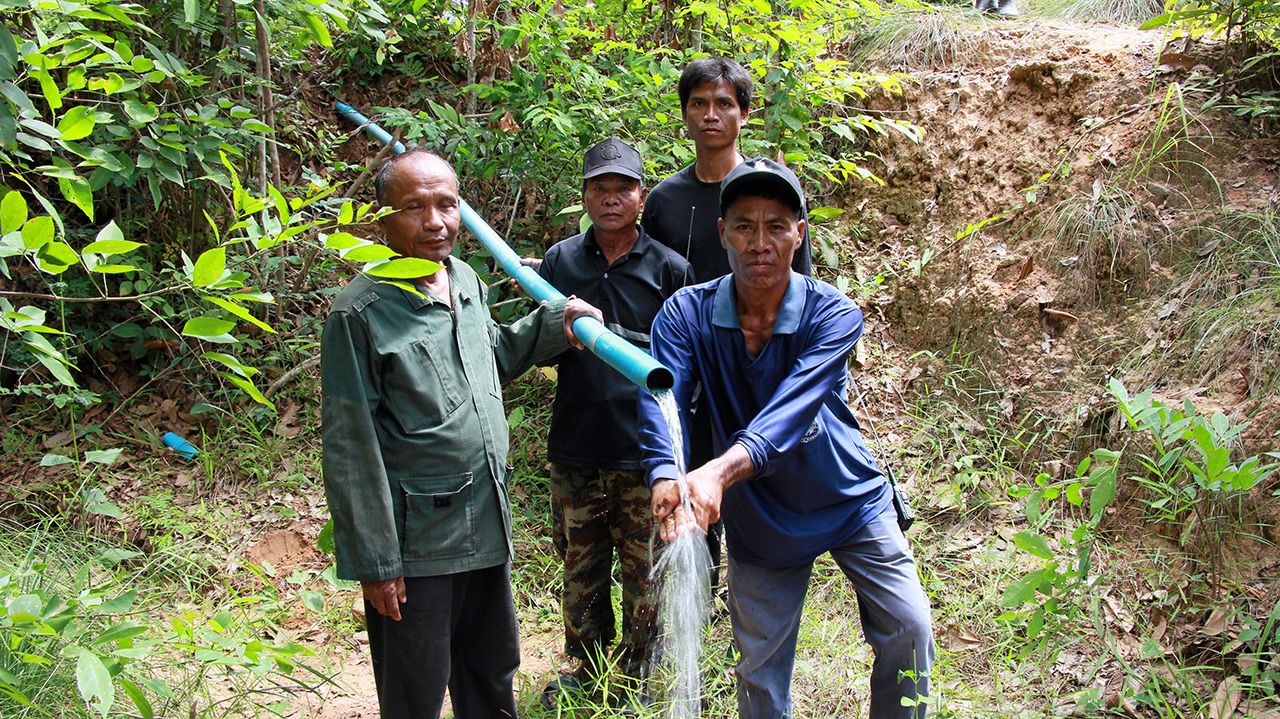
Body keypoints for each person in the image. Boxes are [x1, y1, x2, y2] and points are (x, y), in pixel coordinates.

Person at [638, 158, 935, 719]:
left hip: (846, 496)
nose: (760, 242)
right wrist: (664, 473)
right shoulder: (687, 313)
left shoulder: (834, 314)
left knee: (910, 627)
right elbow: (662, 395)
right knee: (759, 667)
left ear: (800, 233)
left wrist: (717, 473)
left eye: (777, 225)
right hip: (760, 514)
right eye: (744, 225)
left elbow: (793, 409)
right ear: (722, 233)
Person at [321, 148, 601, 719]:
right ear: (382, 220)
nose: (435, 222)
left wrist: (556, 326)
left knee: (491, 672)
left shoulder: (465, 280)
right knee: (415, 687)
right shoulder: (361, 311)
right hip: (418, 541)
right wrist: (377, 562)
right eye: (414, 208)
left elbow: (489, 355)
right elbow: (350, 445)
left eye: (447, 205)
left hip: (485, 516)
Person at [641, 58, 815, 586]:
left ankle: (756, 596)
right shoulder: (667, 200)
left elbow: (801, 285)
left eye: (723, 104)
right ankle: (699, 603)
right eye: (698, 104)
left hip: (756, 366)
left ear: (744, 113)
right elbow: (649, 278)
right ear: (685, 114)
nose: (710, 115)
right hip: (688, 368)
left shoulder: (767, 189)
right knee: (684, 478)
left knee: (748, 477)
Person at [534, 137, 694, 709]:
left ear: (641, 197)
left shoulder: (669, 268)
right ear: (584, 197)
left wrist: (605, 333)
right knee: (580, 568)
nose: (610, 199)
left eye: (621, 188)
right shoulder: (560, 262)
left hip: (642, 452)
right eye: (598, 188)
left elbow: (679, 358)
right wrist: (551, 326)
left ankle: (634, 682)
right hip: (576, 444)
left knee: (646, 575)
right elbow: (547, 346)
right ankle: (587, 671)